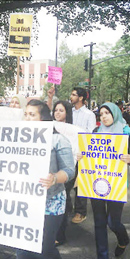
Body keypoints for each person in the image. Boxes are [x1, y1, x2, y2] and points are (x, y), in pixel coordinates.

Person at [16, 99, 75, 259]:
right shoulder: (17, 138)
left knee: (44, 249)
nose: (27, 118)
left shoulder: (58, 140)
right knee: (22, 247)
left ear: (43, 118)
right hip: (24, 200)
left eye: (32, 115)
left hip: (51, 202)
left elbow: (69, 170)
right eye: (25, 114)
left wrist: (55, 178)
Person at [88, 102, 130, 259]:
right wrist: (81, 155)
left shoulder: (126, 132)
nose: (104, 116)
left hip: (116, 183)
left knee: (112, 222)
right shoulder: (95, 132)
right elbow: (89, 154)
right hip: (96, 182)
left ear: (115, 113)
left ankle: (123, 239)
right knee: (99, 222)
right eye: (101, 114)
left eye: (107, 112)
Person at [70, 87, 96, 224]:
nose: (71, 96)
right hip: (69, 151)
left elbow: (91, 134)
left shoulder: (89, 114)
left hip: (82, 152)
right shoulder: (69, 112)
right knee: (68, 180)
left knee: (80, 183)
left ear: (81, 98)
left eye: (74, 95)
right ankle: (68, 209)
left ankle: (80, 212)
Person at [51, 100, 74, 246]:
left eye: (61, 110)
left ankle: (60, 234)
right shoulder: (49, 127)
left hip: (68, 168)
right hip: (53, 169)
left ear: (67, 113)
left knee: (63, 198)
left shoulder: (74, 130)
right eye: (56, 110)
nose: (57, 113)